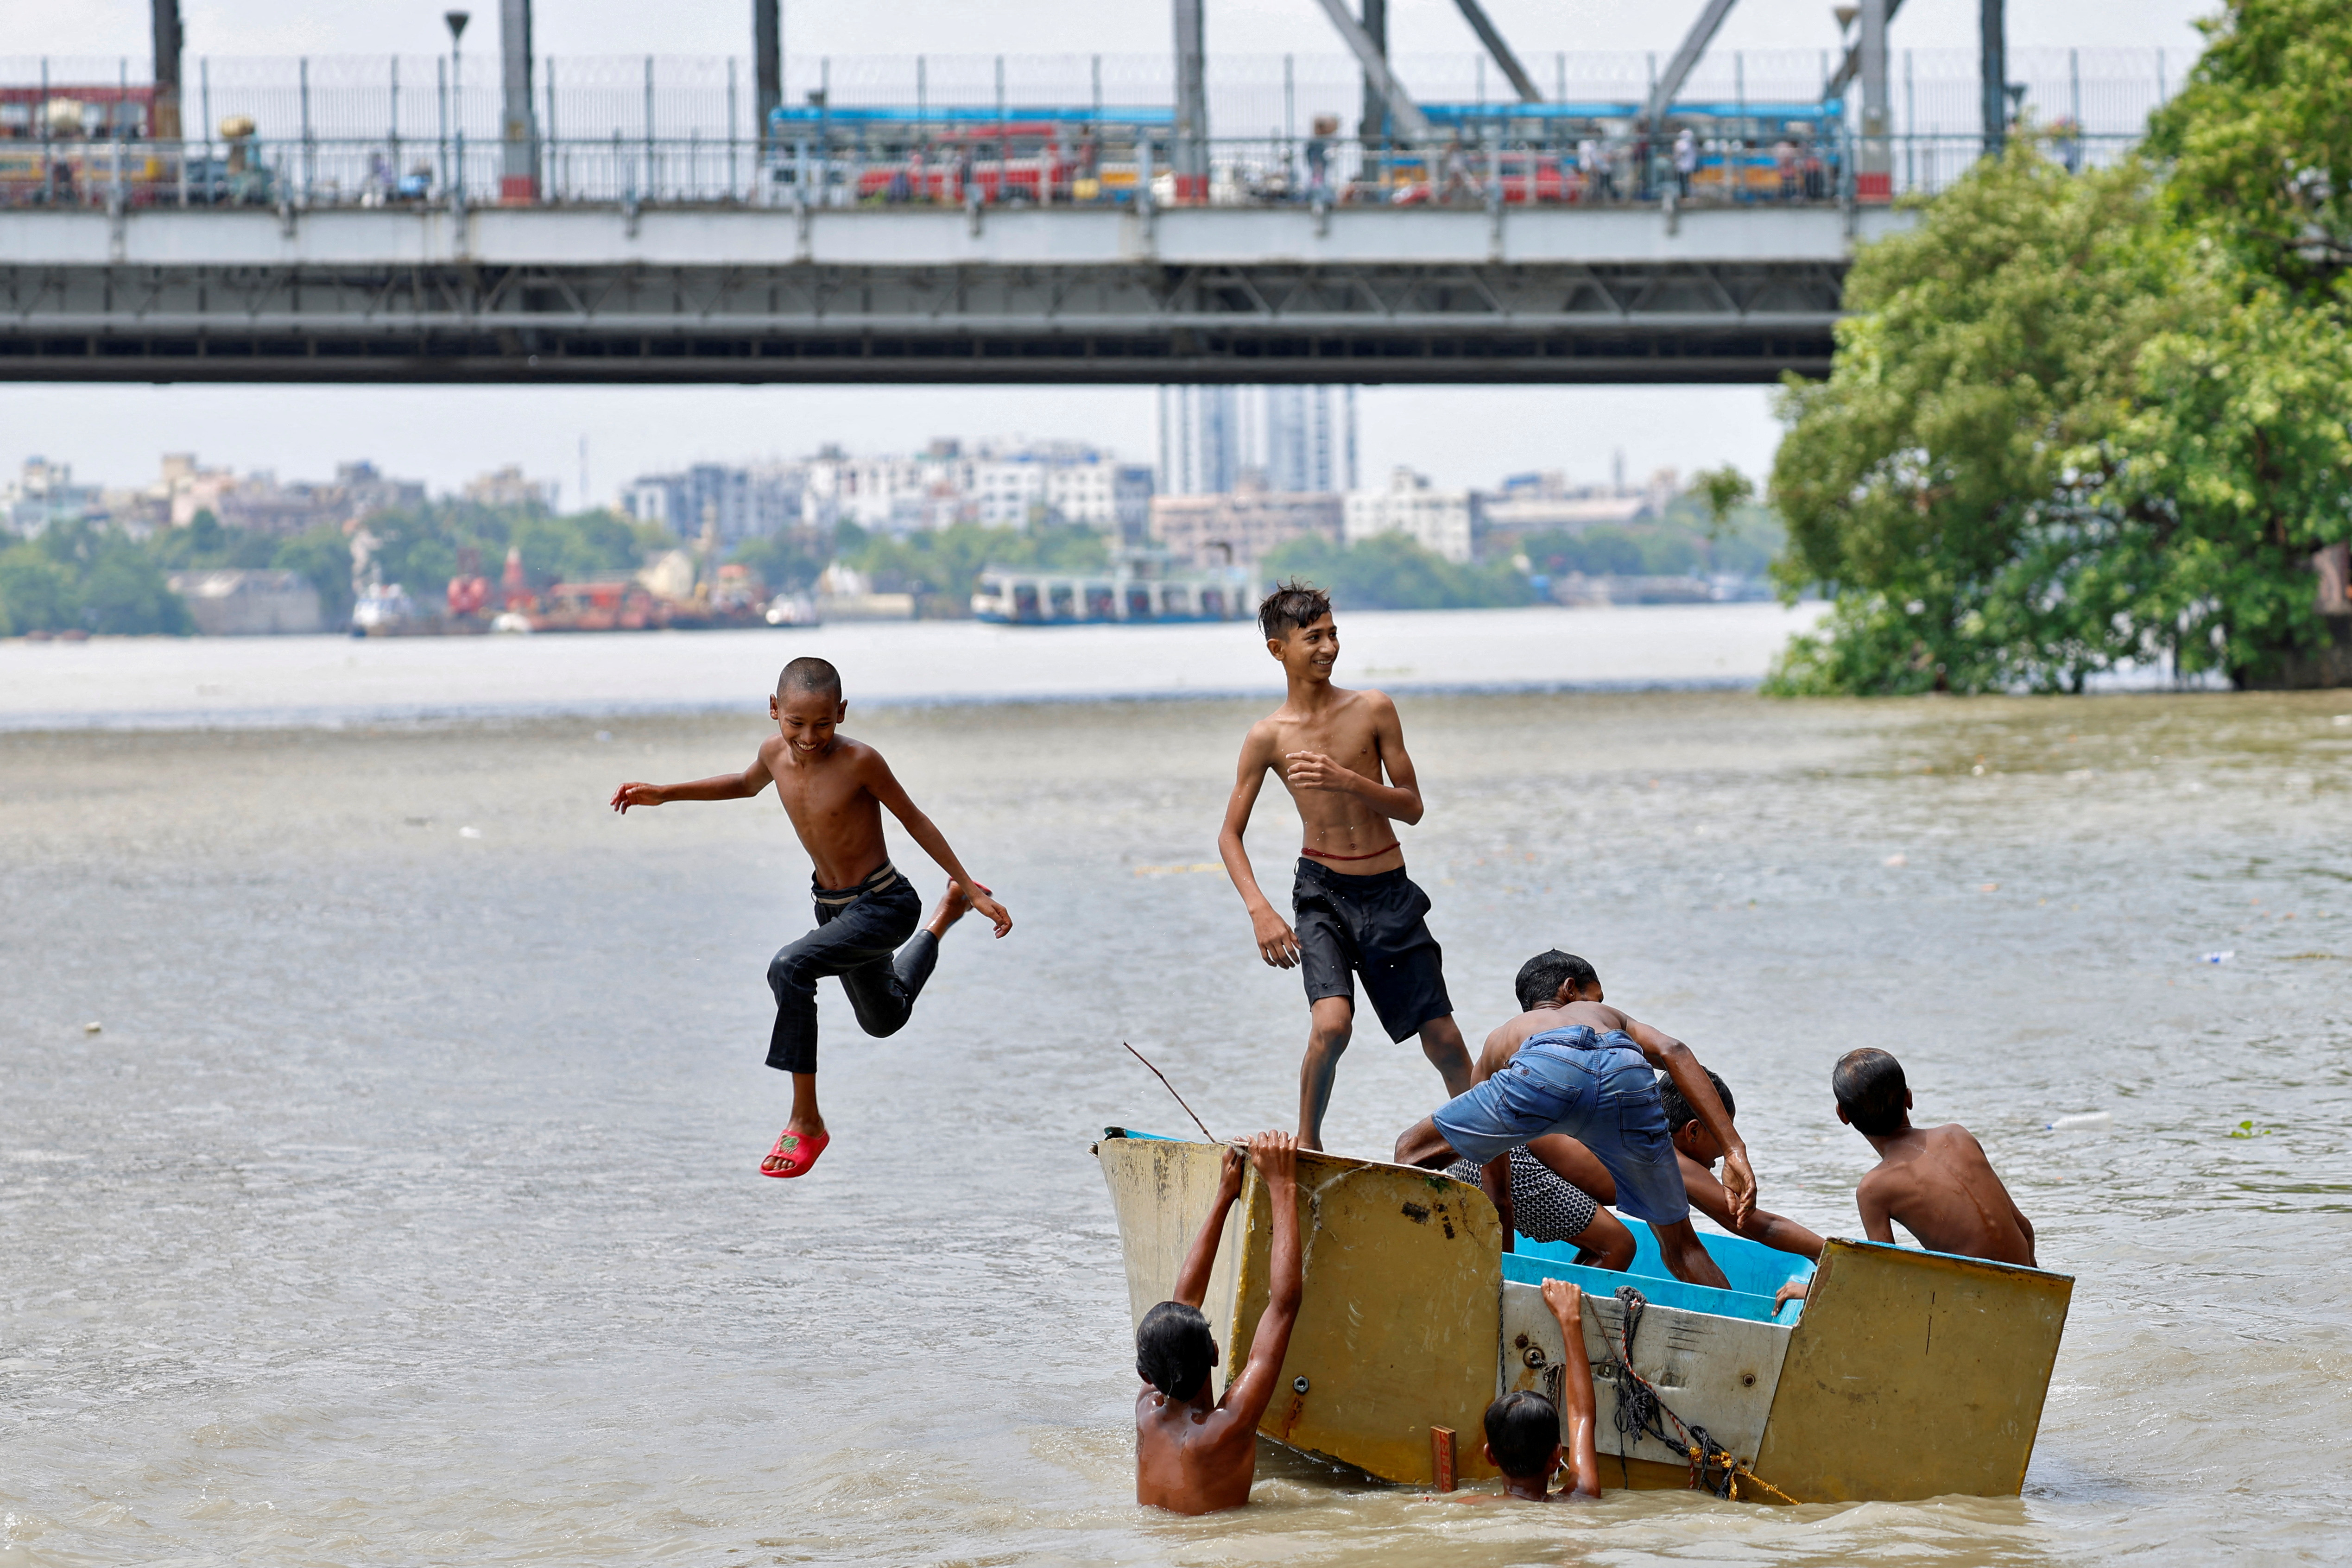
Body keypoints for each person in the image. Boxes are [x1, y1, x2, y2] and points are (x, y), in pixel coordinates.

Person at [609, 657, 1012, 1179]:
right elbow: (743, 783)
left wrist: (974, 883)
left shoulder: (861, 761)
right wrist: (666, 793)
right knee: (884, 1021)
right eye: (796, 723)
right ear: (773, 710)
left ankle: (807, 1120)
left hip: (885, 904)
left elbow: (915, 820)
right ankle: (946, 914)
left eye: (822, 723)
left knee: (789, 967)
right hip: (833, 910)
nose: (808, 735)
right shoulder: (773, 754)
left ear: (841, 713)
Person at [1216, 582, 1474, 1151]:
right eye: (1314, 638)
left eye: (1333, 634)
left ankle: (1496, 1152)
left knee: (1445, 1038)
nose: (1329, 647)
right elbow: (1229, 836)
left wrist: (1349, 781)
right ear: (1278, 650)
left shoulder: (1373, 709)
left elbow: (1412, 808)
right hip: (1322, 894)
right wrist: (1260, 910)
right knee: (1332, 1024)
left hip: (1388, 892)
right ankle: (1308, 1144)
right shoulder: (1268, 737)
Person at [1395, 949, 1754, 1290]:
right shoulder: (1607, 1017)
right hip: (1626, 1071)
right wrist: (1734, 1150)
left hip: (1547, 1064)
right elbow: (1674, 1050)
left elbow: (1499, 1199)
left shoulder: (1504, 1037)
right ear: (1570, 990)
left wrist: (1501, 1281)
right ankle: (1746, 1334)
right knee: (1682, 1248)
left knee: (1411, 1151)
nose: (1595, 1005)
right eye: (1594, 998)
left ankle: (1401, 1266)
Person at [1135, 1132, 1304, 1514]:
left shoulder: (1146, 1411)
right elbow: (1284, 1305)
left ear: (1145, 1374)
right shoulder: (1225, 1428)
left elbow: (1184, 1304)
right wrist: (1283, 1185)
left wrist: (1225, 1195)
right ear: (1214, 1353)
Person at [1828, 1047, 2036, 1265]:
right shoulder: (1958, 1135)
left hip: (1974, 1292)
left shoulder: (1873, 1189)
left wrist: (1809, 1290)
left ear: (1843, 1115)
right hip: (2029, 1283)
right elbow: (2024, 1228)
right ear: (1908, 1098)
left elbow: (1885, 1270)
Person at [1437, 1278, 1603, 1503]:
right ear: (1557, 1456)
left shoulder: (1468, 1505)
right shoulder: (1580, 1498)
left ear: (1490, 1455)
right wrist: (1570, 1319)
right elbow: (1582, 1416)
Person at [1672, 127, 1698, 198]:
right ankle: (1684, 195)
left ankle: (1685, 195)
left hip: (1685, 166)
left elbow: (1681, 152)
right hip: (1683, 166)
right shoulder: (1688, 143)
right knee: (1683, 182)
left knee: (1685, 182)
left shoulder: (1686, 144)